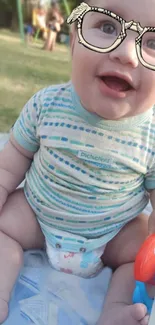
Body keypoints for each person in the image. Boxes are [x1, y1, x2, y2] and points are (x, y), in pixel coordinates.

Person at [0, 0, 155, 324]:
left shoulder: (152, 136)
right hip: (39, 216)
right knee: (5, 226)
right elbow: (10, 162)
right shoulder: (46, 105)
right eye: (108, 27)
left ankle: (115, 309)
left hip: (113, 234)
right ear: (73, 41)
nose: (126, 53)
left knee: (139, 249)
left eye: (153, 42)